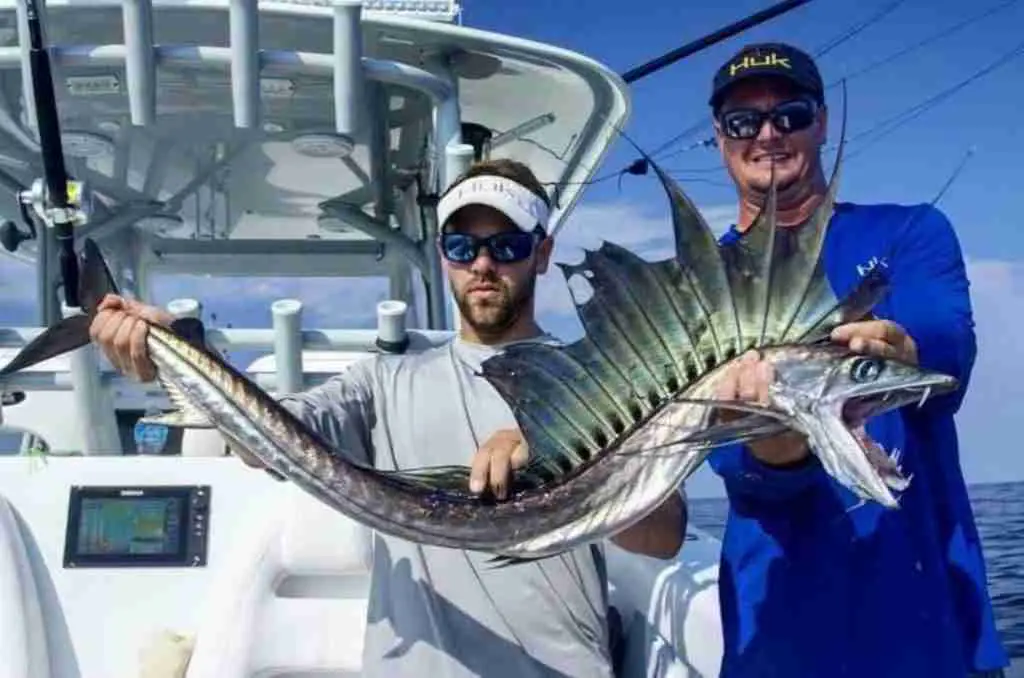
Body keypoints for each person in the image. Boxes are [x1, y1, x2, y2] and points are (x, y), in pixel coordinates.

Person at [88, 158, 687, 677]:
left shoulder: (602, 383)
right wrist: (177, 353)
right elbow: (267, 441)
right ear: (442, 257)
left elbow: (664, 538)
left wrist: (569, 450)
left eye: (506, 246)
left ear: (543, 252)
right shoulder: (382, 381)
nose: (482, 264)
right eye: (461, 246)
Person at [704, 42, 1009, 677]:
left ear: (821, 122)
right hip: (778, 640)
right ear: (721, 136)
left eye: (788, 114)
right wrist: (772, 445)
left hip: (930, 633)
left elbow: (945, 343)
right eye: (744, 121)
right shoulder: (697, 285)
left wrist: (905, 350)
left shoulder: (910, 232)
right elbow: (732, 460)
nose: (768, 133)